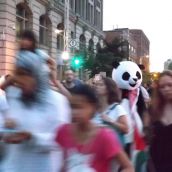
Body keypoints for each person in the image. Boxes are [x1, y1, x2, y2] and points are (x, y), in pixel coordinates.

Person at [1, 51, 70, 172]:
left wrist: (32, 137)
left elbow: (61, 139)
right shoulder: (14, 95)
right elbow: (7, 126)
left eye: (24, 75)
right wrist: (6, 129)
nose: (19, 80)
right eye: (18, 74)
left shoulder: (57, 101)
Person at [56, 84, 134, 172]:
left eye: (80, 107)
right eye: (72, 107)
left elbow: (128, 167)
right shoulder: (63, 132)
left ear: (93, 107)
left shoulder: (104, 136)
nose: (74, 112)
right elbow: (65, 163)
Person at [92, 76, 129, 146]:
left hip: (112, 150)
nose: (97, 86)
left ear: (108, 89)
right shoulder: (94, 108)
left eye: (101, 85)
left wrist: (110, 121)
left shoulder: (117, 108)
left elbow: (126, 129)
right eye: (96, 84)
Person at [148, 70, 172, 172]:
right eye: (162, 87)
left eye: (170, 85)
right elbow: (148, 140)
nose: (166, 89)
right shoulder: (153, 109)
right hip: (157, 165)